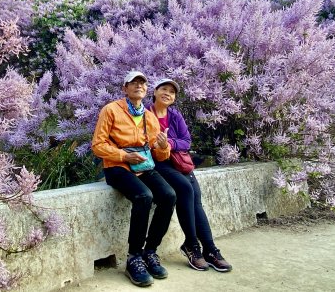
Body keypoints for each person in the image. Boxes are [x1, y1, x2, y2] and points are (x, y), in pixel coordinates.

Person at [92, 71, 176, 287]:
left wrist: (163, 146)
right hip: (117, 166)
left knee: (168, 196)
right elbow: (98, 145)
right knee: (143, 196)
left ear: (146, 90)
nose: (139, 85)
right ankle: (134, 258)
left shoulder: (149, 117)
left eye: (142, 83)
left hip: (143, 166)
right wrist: (123, 155)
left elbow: (158, 155)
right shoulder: (111, 110)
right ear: (125, 88)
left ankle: (150, 252)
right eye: (134, 82)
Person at [148, 78, 233, 273]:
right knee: (185, 189)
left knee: (196, 200)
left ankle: (210, 250)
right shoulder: (146, 115)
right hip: (160, 163)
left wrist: (169, 143)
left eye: (172, 91)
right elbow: (147, 142)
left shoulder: (174, 115)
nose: (168, 93)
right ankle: (192, 246)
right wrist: (163, 146)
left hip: (179, 161)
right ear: (155, 91)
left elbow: (186, 141)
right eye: (164, 89)